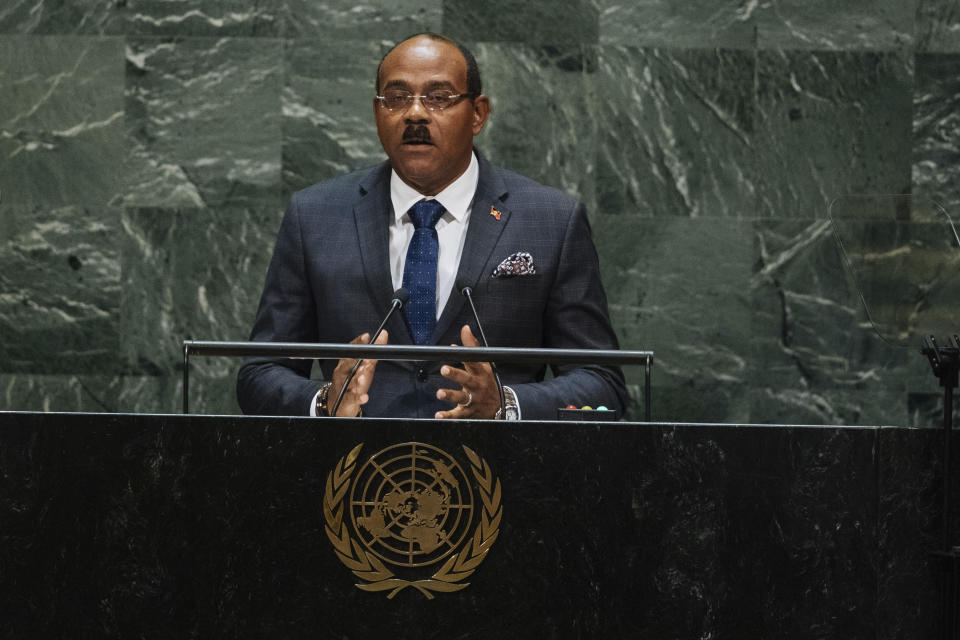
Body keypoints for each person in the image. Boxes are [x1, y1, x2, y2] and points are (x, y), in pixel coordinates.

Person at [237, 32, 626, 420]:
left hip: (496, 472)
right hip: (356, 473)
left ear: (478, 113)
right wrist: (324, 400)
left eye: (439, 98)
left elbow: (602, 384)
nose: (416, 114)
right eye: (396, 98)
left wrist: (506, 405)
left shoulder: (551, 220)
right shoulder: (316, 216)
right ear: (377, 113)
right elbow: (260, 373)